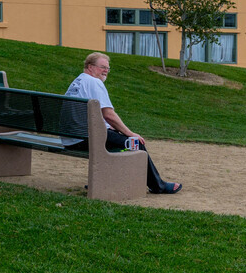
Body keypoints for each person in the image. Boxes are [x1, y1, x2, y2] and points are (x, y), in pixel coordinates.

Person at [66, 52, 181, 194]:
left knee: (115, 138)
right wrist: (131, 134)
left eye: (107, 68)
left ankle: (100, 181)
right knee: (135, 143)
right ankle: (158, 186)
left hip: (70, 138)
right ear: (90, 67)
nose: (106, 71)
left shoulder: (78, 81)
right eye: (102, 67)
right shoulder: (94, 82)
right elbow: (108, 115)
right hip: (86, 138)